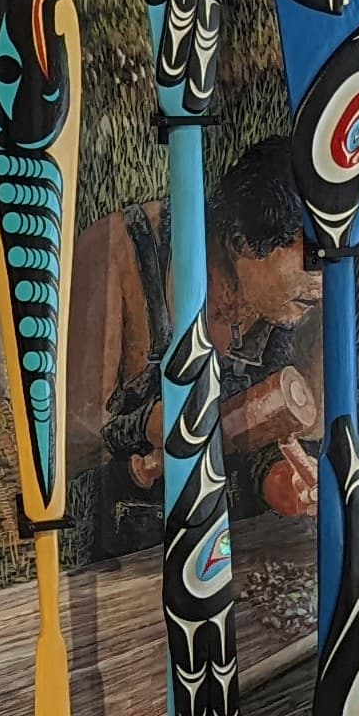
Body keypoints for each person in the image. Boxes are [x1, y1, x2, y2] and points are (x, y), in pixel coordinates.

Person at [60, 131, 320, 562]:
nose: (324, 284)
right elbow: (66, 444)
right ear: (241, 243)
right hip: (129, 570)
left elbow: (296, 437)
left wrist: (279, 480)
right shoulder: (119, 253)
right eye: (312, 258)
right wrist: (145, 424)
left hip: (243, 562)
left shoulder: (302, 302)